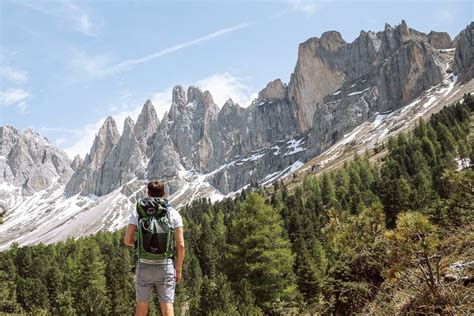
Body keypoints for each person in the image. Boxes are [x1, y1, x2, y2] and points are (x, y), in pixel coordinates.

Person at [124, 180, 185, 316]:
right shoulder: (173, 213)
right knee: (167, 305)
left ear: (148, 193)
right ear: (164, 194)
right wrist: (178, 270)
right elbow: (180, 245)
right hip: (165, 266)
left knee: (142, 305)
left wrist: (140, 246)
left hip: (144, 265)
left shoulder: (138, 212)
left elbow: (127, 240)